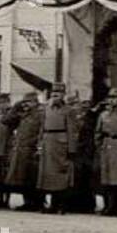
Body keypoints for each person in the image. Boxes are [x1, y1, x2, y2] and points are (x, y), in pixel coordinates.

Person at [36, 84, 76, 214]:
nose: (55, 96)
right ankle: (48, 205)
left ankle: (60, 205)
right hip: (47, 143)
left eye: (58, 93)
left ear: (63, 95)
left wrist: (71, 148)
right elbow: (41, 128)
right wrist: (40, 144)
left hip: (61, 143)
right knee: (46, 175)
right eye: (53, 93)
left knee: (60, 175)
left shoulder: (68, 110)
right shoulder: (45, 109)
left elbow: (72, 130)